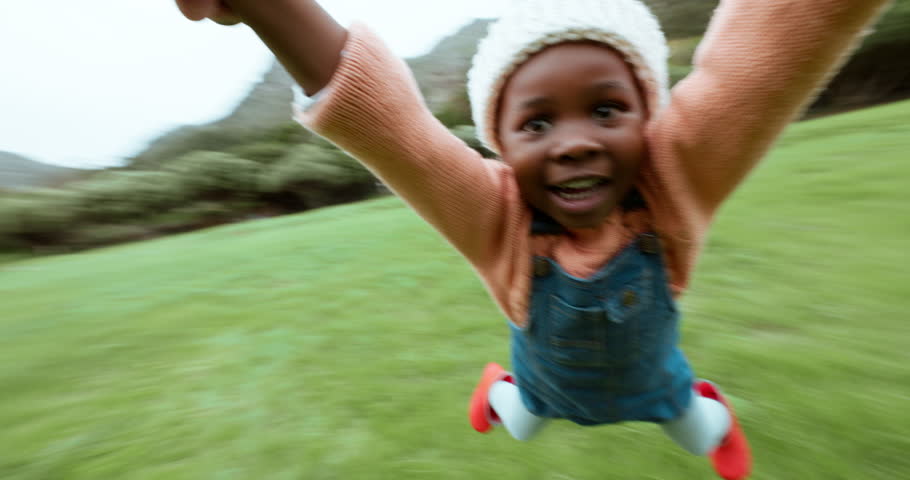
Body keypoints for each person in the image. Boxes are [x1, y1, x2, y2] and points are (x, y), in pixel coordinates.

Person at [175, 1, 892, 478]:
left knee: (697, 431)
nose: (575, 144)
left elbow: (759, 63)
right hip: (547, 390)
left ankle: (712, 416)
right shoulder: (499, 220)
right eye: (537, 124)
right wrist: (273, 8)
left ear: (652, 119)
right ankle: (500, 392)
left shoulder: (675, 187)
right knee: (520, 421)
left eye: (608, 109)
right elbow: (394, 129)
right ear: (500, 143)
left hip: (658, 386)